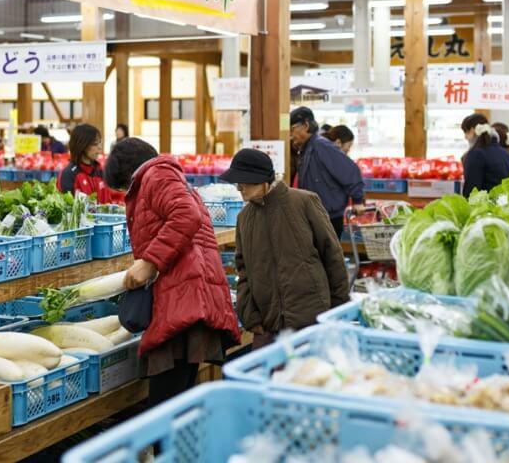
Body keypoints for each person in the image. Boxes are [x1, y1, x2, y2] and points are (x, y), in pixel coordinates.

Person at [103, 138, 240, 406]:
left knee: (165, 401)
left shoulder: (157, 174)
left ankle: (166, 448)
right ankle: (177, 447)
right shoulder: (162, 175)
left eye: (123, 188)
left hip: (183, 294)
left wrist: (150, 261)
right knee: (177, 396)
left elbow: (186, 215)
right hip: (183, 292)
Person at [220, 148, 350, 349]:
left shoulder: (304, 201)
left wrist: (338, 310)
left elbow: (332, 254)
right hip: (268, 325)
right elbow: (243, 269)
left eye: (243, 181)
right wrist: (251, 318)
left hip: (312, 319)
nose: (239, 187)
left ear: (262, 180)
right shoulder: (244, 219)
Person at [289, 107, 365, 239]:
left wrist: (358, 200)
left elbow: (350, 170)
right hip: (317, 215)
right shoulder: (307, 148)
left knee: (328, 258)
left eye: (292, 129)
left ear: (306, 126)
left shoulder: (321, 146)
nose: (290, 135)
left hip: (329, 218)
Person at [460, 113, 509, 198]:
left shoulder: (476, 155)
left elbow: (471, 192)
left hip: (486, 208)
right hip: (505, 207)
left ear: (472, 131)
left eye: (466, 133)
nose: (465, 137)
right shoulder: (507, 155)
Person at [57, 124, 116, 203]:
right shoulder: (68, 174)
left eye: (100, 143)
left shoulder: (100, 171)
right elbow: (67, 209)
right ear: (82, 145)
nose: (100, 148)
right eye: (95, 144)